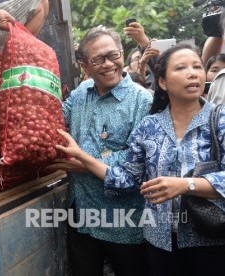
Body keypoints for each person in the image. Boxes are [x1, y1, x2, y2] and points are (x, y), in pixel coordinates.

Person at [55, 43, 225, 276]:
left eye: (197, 66)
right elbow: (126, 178)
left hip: (210, 238)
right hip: (160, 242)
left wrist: (186, 185)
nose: (192, 73)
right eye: (181, 68)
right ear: (162, 82)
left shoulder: (219, 120)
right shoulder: (149, 127)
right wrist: (82, 157)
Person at [49, 25, 153, 276]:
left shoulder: (142, 100)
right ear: (85, 66)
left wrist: (84, 162)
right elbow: (54, 124)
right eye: (98, 59)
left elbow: (138, 159)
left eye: (114, 55)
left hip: (124, 221)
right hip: (82, 215)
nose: (108, 64)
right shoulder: (79, 95)